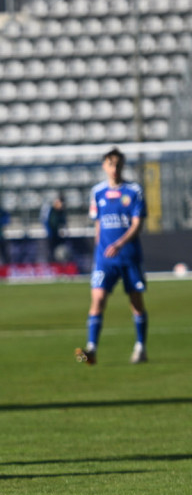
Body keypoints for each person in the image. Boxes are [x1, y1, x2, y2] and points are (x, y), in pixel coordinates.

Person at [76, 147, 148, 365]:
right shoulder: (97, 192)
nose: (114, 168)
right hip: (104, 259)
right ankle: (91, 350)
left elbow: (138, 223)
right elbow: (98, 224)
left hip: (128, 256)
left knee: (135, 302)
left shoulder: (134, 191)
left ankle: (140, 347)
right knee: (97, 299)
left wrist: (119, 243)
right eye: (110, 164)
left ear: (122, 165)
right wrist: (99, 252)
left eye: (118, 164)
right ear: (104, 166)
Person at [41, 194, 67, 262]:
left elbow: (63, 222)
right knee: (50, 251)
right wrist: (49, 233)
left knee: (59, 251)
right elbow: (45, 221)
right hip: (50, 235)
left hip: (57, 234)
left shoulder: (60, 212)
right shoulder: (49, 209)